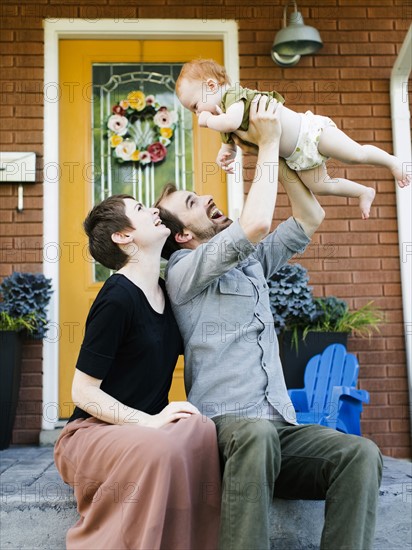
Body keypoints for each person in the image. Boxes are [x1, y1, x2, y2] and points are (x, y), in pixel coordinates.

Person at [155, 95, 383, 550]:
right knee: (257, 435)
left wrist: (276, 151)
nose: (209, 198)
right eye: (194, 202)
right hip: (225, 432)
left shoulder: (250, 263)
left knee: (360, 454)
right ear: (182, 234)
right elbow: (256, 222)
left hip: (279, 428)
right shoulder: (183, 271)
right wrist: (269, 139)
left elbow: (309, 217)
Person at [54, 194, 221, 550]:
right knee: (159, 447)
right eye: (142, 210)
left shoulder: (166, 291)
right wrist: (148, 422)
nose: (155, 211)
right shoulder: (117, 298)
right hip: (91, 434)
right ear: (123, 236)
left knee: (202, 430)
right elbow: (83, 392)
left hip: (144, 432)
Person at [175, 58, 410, 220]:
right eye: (193, 111)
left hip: (311, 134)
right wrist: (225, 154)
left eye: (195, 106)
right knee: (320, 186)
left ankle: (392, 162)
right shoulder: (223, 116)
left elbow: (232, 123)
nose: (197, 114)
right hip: (297, 157)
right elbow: (230, 141)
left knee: (355, 155)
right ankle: (362, 192)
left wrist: (206, 120)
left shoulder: (234, 97)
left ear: (212, 85)